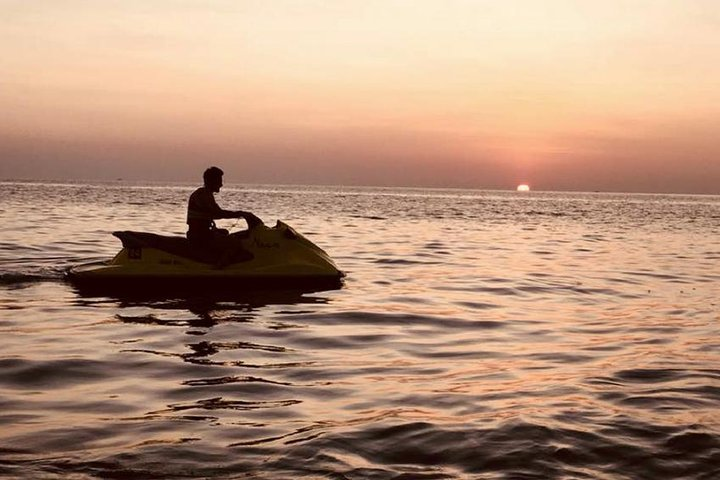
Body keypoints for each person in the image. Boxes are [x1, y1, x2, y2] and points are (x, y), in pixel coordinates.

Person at [187, 166, 261, 262]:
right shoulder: (202, 194)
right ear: (211, 181)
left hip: (204, 234)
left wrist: (216, 229)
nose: (221, 184)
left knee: (228, 234)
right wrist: (241, 214)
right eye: (219, 181)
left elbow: (212, 214)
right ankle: (219, 268)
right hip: (200, 237)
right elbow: (217, 213)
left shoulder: (206, 194)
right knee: (235, 243)